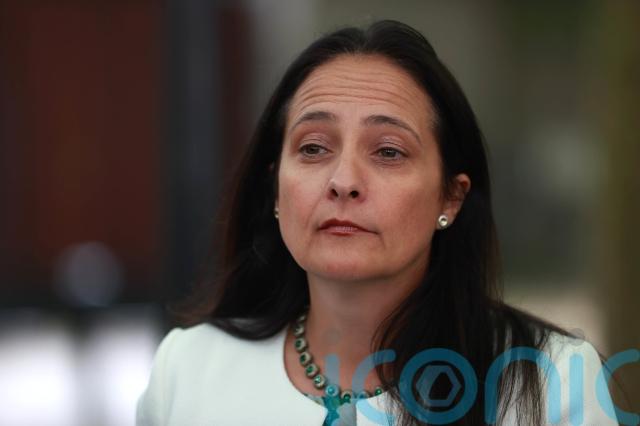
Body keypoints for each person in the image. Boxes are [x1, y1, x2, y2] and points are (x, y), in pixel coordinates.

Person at [136, 20, 618, 425]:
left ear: (451, 196)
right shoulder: (189, 370)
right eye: (313, 148)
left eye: (388, 152)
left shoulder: (549, 383)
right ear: (275, 189)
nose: (343, 181)